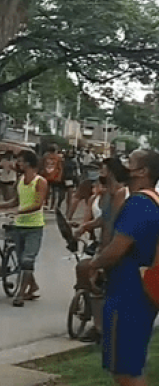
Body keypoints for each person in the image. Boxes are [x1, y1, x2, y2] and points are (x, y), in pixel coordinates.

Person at [77, 149, 159, 386]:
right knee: (131, 366)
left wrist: (92, 265)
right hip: (140, 295)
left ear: (142, 171)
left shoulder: (139, 204)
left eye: (128, 161)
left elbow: (117, 248)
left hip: (128, 296)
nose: (122, 165)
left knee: (125, 372)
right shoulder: (151, 202)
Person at [0, 148, 47, 307]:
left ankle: (21, 294)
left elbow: (38, 204)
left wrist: (19, 211)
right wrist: (1, 206)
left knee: (27, 259)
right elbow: (15, 201)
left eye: (21, 161)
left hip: (34, 226)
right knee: (22, 259)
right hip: (19, 224)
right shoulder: (20, 180)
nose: (18, 164)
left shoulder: (40, 182)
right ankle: (32, 286)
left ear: (28, 163)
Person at [42, 144, 65, 212]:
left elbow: (42, 165)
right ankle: (52, 207)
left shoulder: (45, 156)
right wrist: (59, 177)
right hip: (55, 177)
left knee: (46, 191)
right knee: (54, 193)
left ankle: (45, 204)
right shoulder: (58, 157)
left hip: (46, 176)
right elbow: (60, 168)